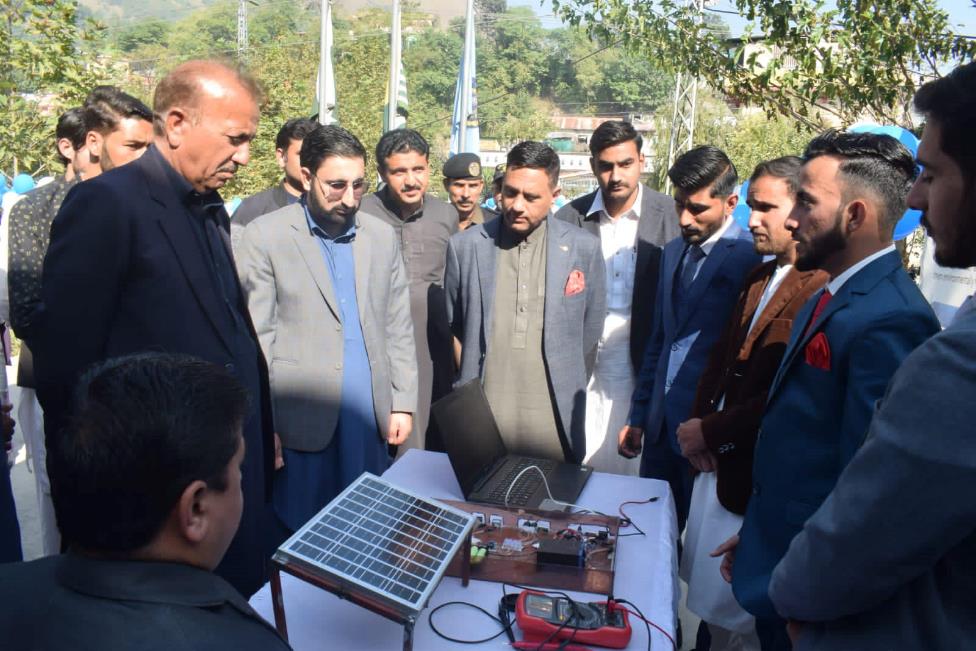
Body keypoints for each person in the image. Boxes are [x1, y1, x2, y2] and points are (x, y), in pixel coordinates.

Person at [32, 60, 277, 597]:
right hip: (152, 511)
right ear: (178, 122)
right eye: (236, 138)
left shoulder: (210, 208)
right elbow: (66, 370)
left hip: (223, 477)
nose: (245, 156)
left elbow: (230, 331)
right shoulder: (107, 204)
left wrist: (261, 432)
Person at [766, 60, 976, 651]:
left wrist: (799, 586)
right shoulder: (828, 293)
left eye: (932, 175)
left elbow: (871, 504)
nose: (915, 196)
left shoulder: (910, 331)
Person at [717, 131, 940, 650]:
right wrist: (763, 533)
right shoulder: (834, 294)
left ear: (855, 215)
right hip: (780, 560)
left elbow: (868, 489)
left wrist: (816, 590)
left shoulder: (891, 320)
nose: (790, 218)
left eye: (807, 202)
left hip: (812, 596)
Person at [0, 353, 291, 650]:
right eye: (238, 469)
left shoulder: (9, 590)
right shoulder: (246, 641)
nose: (242, 481)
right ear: (195, 509)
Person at [677, 157, 827, 651]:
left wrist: (713, 431)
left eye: (766, 207)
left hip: (751, 480)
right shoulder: (759, 277)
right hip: (715, 469)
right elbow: (720, 360)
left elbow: (785, 393)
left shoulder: (819, 287)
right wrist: (698, 424)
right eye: (752, 206)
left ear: (799, 210)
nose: (752, 219)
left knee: (740, 621)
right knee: (708, 616)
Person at [237, 124, 417, 533]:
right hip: (300, 420)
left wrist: (403, 400)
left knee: (368, 529)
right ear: (306, 176)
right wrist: (264, 424)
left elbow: (396, 323)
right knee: (299, 532)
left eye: (359, 185)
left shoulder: (381, 236)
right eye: (336, 185)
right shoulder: (266, 236)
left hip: (368, 417)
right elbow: (257, 338)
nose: (350, 198)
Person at [9, 92, 152, 557]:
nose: (143, 159)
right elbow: (28, 310)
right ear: (93, 142)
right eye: (132, 146)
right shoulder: (39, 209)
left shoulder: (153, 204)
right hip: (75, 394)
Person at [618, 145, 759, 531]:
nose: (684, 218)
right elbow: (661, 340)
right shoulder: (673, 251)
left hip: (706, 438)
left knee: (693, 551)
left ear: (730, 202)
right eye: (679, 204)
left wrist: (715, 429)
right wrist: (639, 415)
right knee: (646, 532)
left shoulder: (752, 259)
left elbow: (745, 363)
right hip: (661, 428)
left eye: (696, 208)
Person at [445, 141, 606, 463]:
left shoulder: (582, 248)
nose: (517, 205)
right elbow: (454, 325)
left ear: (554, 194)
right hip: (485, 411)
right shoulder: (465, 247)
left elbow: (590, 329)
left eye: (531, 197)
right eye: (510, 192)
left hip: (554, 414)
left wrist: (566, 371)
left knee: (550, 507)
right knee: (482, 506)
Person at [555, 120, 681, 475]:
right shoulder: (569, 218)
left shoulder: (670, 216)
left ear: (642, 161)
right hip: (584, 356)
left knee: (634, 463)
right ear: (593, 165)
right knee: (582, 454)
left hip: (644, 357)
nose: (616, 176)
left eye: (625, 164)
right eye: (606, 166)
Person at [360, 129, 456, 452]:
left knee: (430, 444)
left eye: (419, 169)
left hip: (432, 350)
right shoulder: (361, 214)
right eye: (399, 172)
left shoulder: (447, 216)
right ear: (382, 174)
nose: (411, 180)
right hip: (377, 349)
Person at [231, 117, 317, 250]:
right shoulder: (252, 211)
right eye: (303, 154)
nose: (311, 161)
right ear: (281, 157)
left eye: (318, 154)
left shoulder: (340, 208)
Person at [443, 152, 487, 231]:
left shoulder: (495, 224)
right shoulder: (433, 222)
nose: (466, 194)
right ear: (446, 185)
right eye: (459, 185)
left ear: (481, 186)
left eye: (472, 186)